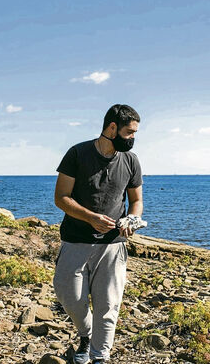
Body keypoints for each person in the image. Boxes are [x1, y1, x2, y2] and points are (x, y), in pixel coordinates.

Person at [53, 104, 143, 364]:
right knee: (69, 296)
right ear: (112, 128)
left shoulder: (131, 161)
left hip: (114, 245)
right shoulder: (77, 153)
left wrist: (131, 219)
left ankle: (100, 356)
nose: (133, 138)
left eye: (135, 133)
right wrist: (90, 218)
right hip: (75, 240)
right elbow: (61, 197)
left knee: (108, 306)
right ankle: (86, 333)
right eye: (129, 132)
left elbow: (136, 201)